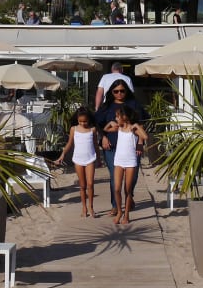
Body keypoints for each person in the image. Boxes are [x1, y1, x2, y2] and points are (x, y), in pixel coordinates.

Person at [95, 83, 147, 216]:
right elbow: (97, 123)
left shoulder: (133, 104)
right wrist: (104, 137)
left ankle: (129, 198)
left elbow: (141, 124)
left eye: (122, 91)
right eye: (116, 91)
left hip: (132, 149)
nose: (119, 94)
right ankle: (115, 207)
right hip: (112, 148)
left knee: (132, 178)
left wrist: (140, 143)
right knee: (114, 178)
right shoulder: (107, 106)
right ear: (111, 92)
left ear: (126, 91)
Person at [104, 104, 148, 226]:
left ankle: (126, 214)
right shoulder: (118, 128)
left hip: (130, 161)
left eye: (118, 116)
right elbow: (106, 129)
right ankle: (119, 211)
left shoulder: (133, 128)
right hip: (119, 160)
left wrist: (137, 126)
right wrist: (111, 123)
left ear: (125, 116)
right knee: (116, 188)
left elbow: (145, 136)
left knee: (127, 190)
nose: (116, 118)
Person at [54, 107, 99, 218]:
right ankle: (84, 208)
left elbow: (95, 144)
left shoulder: (92, 129)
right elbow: (69, 144)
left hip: (90, 159)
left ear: (89, 120)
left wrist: (99, 158)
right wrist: (62, 155)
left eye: (85, 121)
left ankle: (91, 207)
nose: (83, 123)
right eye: (80, 121)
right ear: (77, 120)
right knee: (82, 186)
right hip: (78, 159)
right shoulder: (74, 129)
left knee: (90, 184)